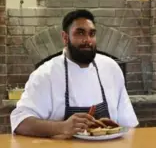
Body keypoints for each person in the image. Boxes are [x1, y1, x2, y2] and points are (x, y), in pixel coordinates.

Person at [10, 9, 139, 139]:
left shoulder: (111, 68)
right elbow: (20, 122)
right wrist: (62, 127)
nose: (88, 40)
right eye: (80, 33)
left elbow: (128, 125)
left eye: (92, 34)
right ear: (65, 38)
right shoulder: (45, 75)